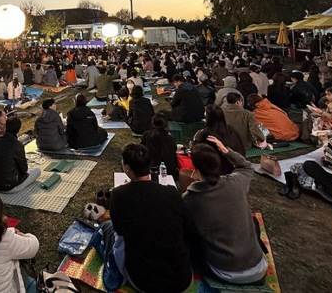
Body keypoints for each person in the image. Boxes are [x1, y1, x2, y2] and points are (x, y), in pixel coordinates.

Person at [93, 143, 193, 293]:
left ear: (127, 167)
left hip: (144, 282)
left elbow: (119, 232)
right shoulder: (171, 193)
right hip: (181, 279)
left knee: (107, 228)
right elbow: (187, 227)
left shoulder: (119, 195)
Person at [183, 137, 269, 285]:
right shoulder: (236, 183)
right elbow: (247, 167)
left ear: (195, 168)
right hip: (258, 267)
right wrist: (227, 151)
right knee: (252, 221)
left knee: (189, 238)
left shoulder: (191, 198)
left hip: (224, 272)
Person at [0, 115, 41, 192]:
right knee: (37, 170)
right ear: (18, 129)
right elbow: (24, 169)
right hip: (10, 186)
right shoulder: (17, 145)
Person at [141, 112, 179, 181]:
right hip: (170, 172)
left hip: (149, 171)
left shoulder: (147, 135)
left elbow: (141, 151)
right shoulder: (170, 139)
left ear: (152, 122)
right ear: (166, 124)